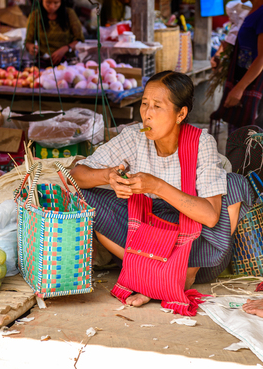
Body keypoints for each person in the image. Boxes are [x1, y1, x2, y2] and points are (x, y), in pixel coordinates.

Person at [70, 71, 253, 307]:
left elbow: (209, 215)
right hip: (146, 244)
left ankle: (177, 278)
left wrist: (157, 186)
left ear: (181, 114)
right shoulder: (135, 137)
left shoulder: (201, 143)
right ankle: (150, 273)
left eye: (157, 106)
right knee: (84, 194)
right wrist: (108, 176)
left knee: (235, 184)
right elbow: (76, 174)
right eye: (144, 104)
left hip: (195, 255)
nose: (147, 114)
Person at [210, 0, 263, 132]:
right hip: (245, 81)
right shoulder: (250, 12)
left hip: (255, 87)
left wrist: (239, 89)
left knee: (249, 142)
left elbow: (262, 58)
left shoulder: (261, 14)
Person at [25, 0, 84, 66]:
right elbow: (28, 41)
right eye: (48, 2)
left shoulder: (69, 14)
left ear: (61, 0)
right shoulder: (35, 16)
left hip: (68, 64)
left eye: (56, 2)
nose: (52, 6)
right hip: (43, 63)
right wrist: (31, 47)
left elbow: (80, 40)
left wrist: (65, 48)